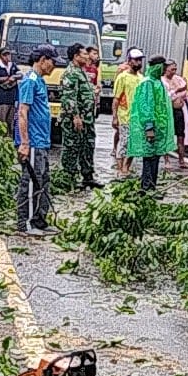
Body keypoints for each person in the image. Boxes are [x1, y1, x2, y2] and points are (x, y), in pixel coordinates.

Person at [15, 44, 59, 237]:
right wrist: (25, 142)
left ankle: (40, 219)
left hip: (42, 141)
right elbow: (22, 112)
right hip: (32, 142)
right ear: (43, 60)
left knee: (42, 180)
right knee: (31, 182)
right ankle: (26, 223)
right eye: (53, 62)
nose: (54, 67)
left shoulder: (40, 81)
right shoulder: (30, 81)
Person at [128, 55, 177, 192]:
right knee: (149, 158)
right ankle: (146, 188)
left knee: (155, 157)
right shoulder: (148, 83)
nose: (165, 69)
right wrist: (149, 129)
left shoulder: (158, 82)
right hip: (151, 128)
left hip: (159, 129)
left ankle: (152, 187)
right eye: (163, 66)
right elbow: (146, 108)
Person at [60, 43, 103, 191]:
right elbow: (69, 97)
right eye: (84, 54)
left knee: (87, 146)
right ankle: (69, 177)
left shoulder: (82, 71)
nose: (88, 56)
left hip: (88, 118)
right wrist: (75, 116)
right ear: (76, 56)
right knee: (72, 147)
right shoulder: (71, 73)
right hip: (75, 119)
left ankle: (87, 176)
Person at [113, 49, 146, 178]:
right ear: (129, 61)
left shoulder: (142, 78)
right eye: (136, 60)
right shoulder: (122, 77)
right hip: (125, 116)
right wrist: (115, 117)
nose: (138, 62)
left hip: (138, 118)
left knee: (135, 144)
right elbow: (116, 99)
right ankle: (121, 168)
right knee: (125, 142)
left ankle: (127, 166)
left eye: (140, 60)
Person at [0, 47, 22, 137]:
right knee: (1, 123)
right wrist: (2, 79)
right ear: (0, 56)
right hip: (1, 100)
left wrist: (14, 77)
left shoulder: (13, 66)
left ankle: (9, 142)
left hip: (12, 100)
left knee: (10, 124)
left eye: (8, 54)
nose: (7, 56)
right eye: (4, 55)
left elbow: (21, 74)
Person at [162, 60, 188, 167]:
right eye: (172, 69)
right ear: (165, 69)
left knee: (180, 135)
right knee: (167, 135)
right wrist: (177, 91)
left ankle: (181, 160)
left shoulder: (177, 79)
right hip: (168, 111)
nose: (174, 72)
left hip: (179, 110)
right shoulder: (162, 81)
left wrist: (179, 94)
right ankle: (166, 160)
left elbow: (185, 89)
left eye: (175, 69)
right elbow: (166, 96)